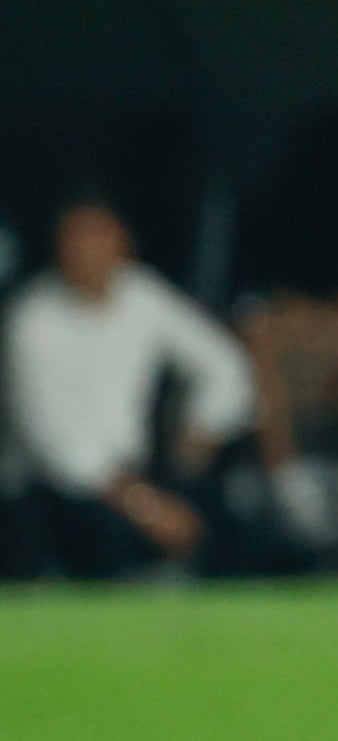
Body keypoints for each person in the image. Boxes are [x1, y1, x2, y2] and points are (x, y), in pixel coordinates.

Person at [4, 194, 256, 579]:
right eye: (76, 239)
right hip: (59, 492)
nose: (87, 250)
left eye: (98, 237)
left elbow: (225, 366)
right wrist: (147, 508)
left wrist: (201, 428)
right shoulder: (32, 322)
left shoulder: (142, 296)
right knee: (104, 534)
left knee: (233, 526)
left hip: (138, 477)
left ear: (122, 243)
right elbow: (56, 447)